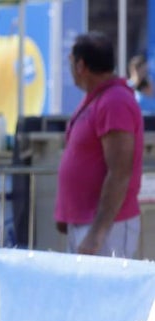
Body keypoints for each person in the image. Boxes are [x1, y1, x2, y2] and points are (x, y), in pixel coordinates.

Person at [56, 32, 142, 259]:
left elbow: (120, 172)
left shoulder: (115, 101)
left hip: (105, 229)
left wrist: (97, 232)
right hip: (85, 223)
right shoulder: (99, 98)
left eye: (70, 62)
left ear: (81, 65)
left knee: (110, 294)